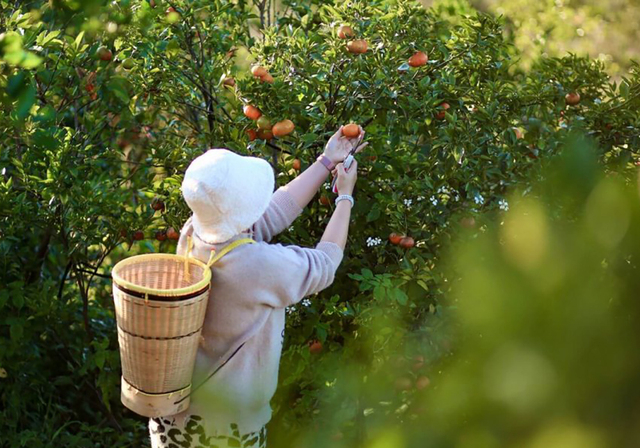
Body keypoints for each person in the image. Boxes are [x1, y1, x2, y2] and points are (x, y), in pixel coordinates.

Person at [149, 127, 367, 448]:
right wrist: (345, 197)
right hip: (226, 430)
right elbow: (324, 264)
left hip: (175, 417)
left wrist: (326, 161)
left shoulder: (195, 232)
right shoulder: (255, 266)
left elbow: (270, 215)